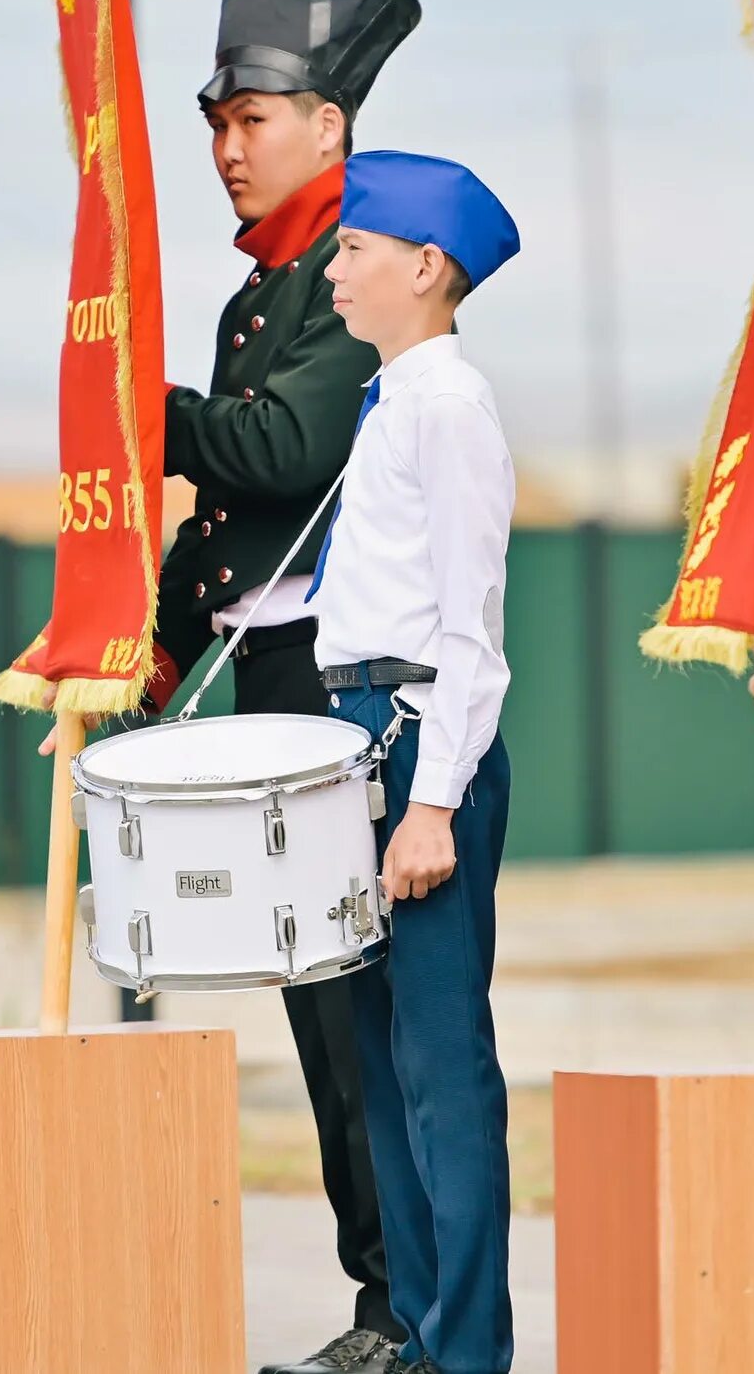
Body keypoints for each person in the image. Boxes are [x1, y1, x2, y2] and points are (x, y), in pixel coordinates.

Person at [156, 0, 423, 1374]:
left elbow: (288, 448)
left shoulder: (348, 276)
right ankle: (378, 1301)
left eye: (251, 119)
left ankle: (406, 1310)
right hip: (264, 683)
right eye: (216, 123)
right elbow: (226, 510)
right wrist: (149, 642)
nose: (227, 149)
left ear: (329, 125)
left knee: (363, 1017)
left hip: (337, 691)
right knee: (319, 1023)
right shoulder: (263, 288)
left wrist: (144, 402)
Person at [308, 150, 521, 1374]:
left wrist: (431, 802)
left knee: (440, 1067)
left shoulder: (448, 407)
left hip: (417, 744)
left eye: (353, 248)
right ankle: (424, 1335)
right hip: (361, 741)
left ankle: (471, 1349)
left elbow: (468, 632)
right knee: (383, 1067)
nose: (334, 267)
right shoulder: (391, 400)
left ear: (425, 266)